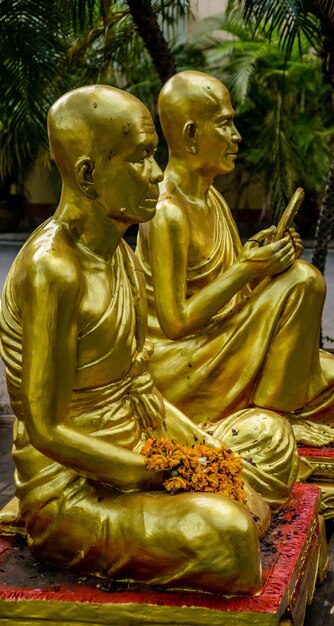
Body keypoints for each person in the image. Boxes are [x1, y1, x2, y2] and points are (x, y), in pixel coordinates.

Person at [0, 85, 299, 596]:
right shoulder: (54, 270)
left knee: (270, 440)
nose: (159, 173)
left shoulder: (117, 250)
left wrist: (205, 456)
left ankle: (202, 505)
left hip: (140, 445)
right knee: (228, 539)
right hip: (75, 488)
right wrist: (152, 474)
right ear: (89, 174)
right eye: (141, 157)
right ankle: (202, 520)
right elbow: (45, 429)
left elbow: (141, 386)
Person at [137, 70, 334, 447]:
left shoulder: (211, 198)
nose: (236, 137)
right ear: (191, 136)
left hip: (217, 341)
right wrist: (247, 269)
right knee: (303, 281)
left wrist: (260, 263)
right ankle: (275, 418)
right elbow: (175, 323)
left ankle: (272, 410)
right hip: (181, 362)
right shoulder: (167, 211)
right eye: (224, 124)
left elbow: (225, 290)